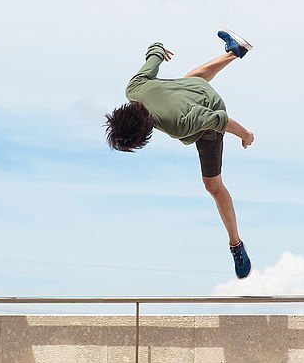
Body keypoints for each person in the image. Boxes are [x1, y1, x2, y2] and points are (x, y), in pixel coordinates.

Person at [105, 30, 255, 278]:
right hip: (191, 89)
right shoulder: (134, 87)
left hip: (209, 112)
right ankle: (235, 51)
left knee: (213, 186)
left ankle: (236, 245)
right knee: (189, 81)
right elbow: (154, 52)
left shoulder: (179, 124)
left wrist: (245, 134)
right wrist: (158, 49)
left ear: (143, 137)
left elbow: (219, 119)